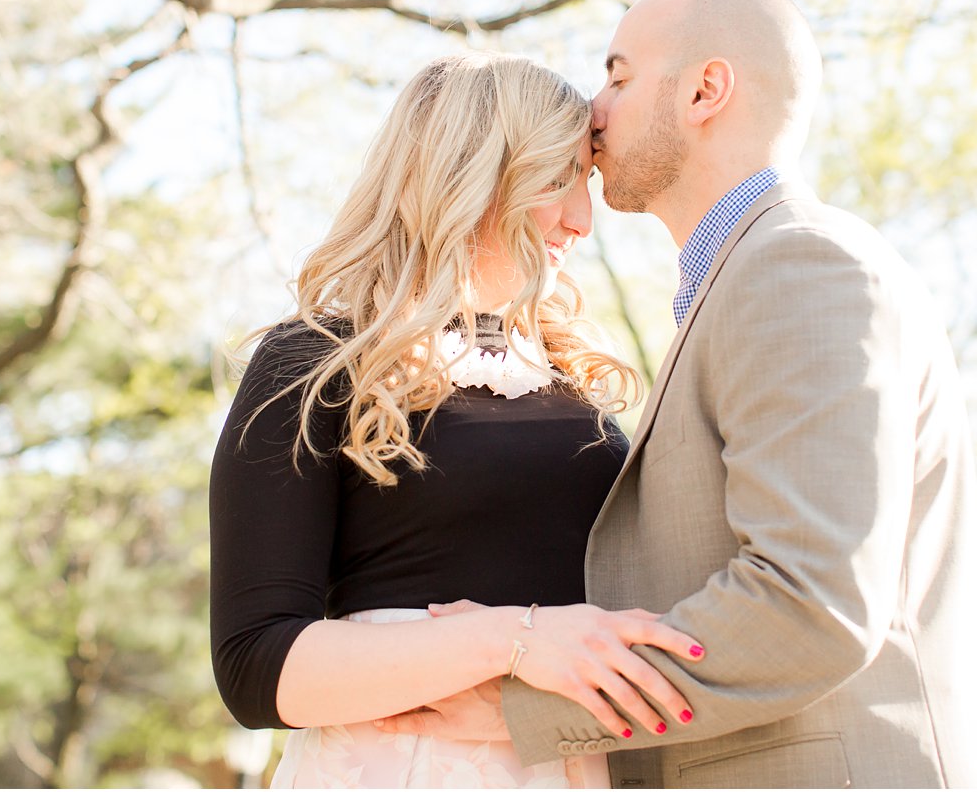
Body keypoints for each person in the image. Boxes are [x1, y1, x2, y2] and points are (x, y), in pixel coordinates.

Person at [377, 0, 977, 788]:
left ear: (703, 91)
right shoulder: (743, 283)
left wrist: (525, 705)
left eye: (618, 75)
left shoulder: (797, 269)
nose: (596, 108)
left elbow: (808, 601)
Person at [209, 52, 703, 789]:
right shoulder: (313, 362)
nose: (581, 219)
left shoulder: (576, 381)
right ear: (472, 175)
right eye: (557, 178)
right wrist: (514, 639)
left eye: (586, 181)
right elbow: (256, 669)